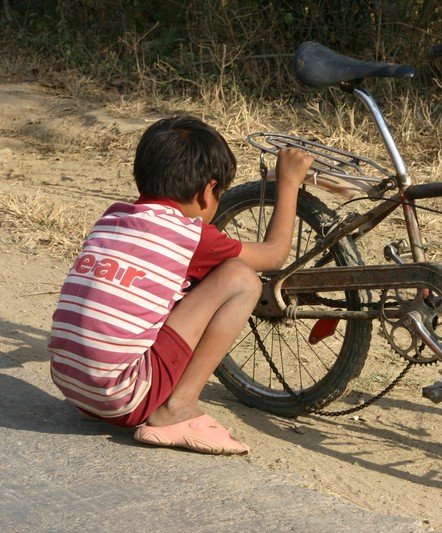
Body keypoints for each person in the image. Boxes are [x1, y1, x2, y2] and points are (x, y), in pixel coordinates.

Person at [47, 116, 312, 455]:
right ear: (207, 192)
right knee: (241, 278)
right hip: (123, 397)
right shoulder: (188, 235)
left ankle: (110, 399)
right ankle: (177, 408)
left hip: (70, 384)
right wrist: (289, 182)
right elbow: (274, 254)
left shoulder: (112, 218)